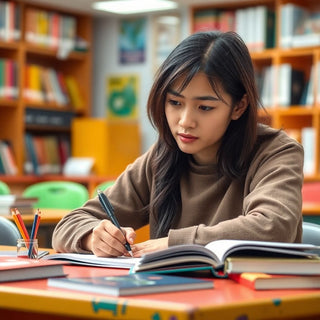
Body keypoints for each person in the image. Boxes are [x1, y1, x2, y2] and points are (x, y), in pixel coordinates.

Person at [52, 31, 304, 257]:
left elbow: (273, 227)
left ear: (239, 106)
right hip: (171, 298)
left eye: (204, 107)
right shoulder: (162, 156)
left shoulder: (276, 151)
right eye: (175, 102)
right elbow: (69, 224)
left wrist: (175, 243)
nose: (185, 122)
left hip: (252, 302)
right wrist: (92, 236)